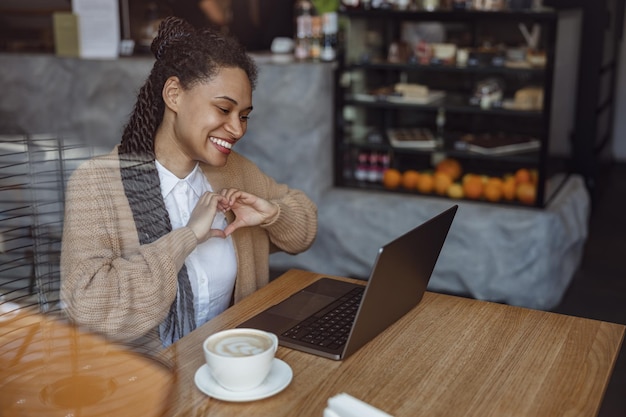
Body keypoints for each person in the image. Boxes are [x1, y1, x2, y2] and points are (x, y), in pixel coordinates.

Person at [60, 16, 318, 350]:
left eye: (243, 116)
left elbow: (305, 231)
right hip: (145, 383)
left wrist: (272, 215)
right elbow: (89, 308)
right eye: (224, 109)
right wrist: (186, 238)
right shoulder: (96, 185)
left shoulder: (235, 173)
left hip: (231, 363)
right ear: (174, 95)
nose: (238, 130)